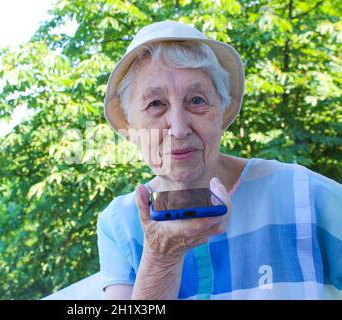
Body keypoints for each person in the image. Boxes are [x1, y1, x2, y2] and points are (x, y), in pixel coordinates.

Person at [97, 20, 342, 299]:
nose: (178, 127)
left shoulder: (301, 193)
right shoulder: (120, 224)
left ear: (221, 111)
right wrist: (161, 258)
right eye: (155, 104)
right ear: (131, 126)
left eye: (197, 100)